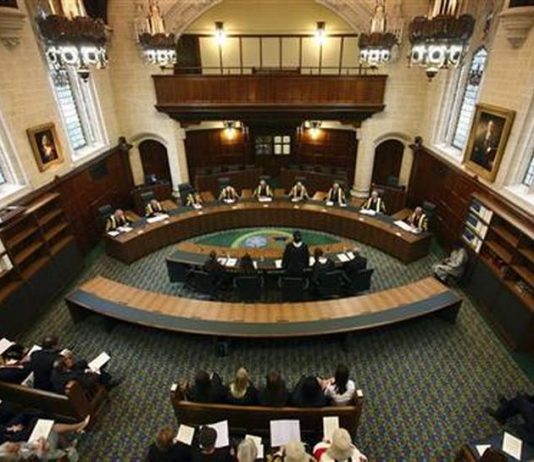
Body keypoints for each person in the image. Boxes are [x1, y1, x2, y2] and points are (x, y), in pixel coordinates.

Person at [50, 351, 118, 394]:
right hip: (82, 392)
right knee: (97, 369)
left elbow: (78, 365)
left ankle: (105, 378)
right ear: (64, 368)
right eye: (67, 360)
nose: (70, 360)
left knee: (89, 367)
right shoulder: (73, 377)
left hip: (78, 381)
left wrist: (84, 370)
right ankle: (107, 385)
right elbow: (88, 383)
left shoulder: (55, 371)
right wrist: (96, 373)